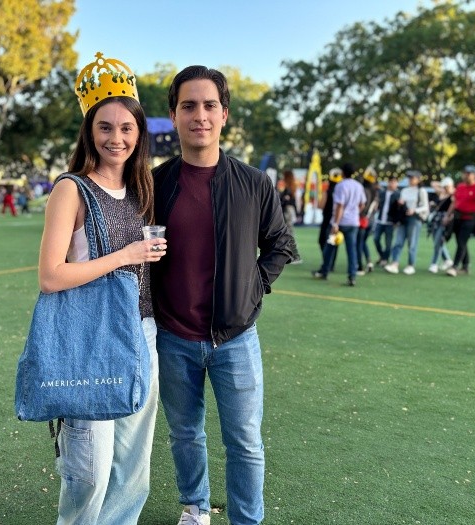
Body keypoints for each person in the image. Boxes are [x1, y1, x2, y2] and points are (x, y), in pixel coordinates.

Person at [152, 65, 292, 525]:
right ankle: (195, 508)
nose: (200, 115)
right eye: (188, 106)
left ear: (224, 114)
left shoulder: (253, 182)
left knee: (245, 442)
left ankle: (246, 520)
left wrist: (253, 287)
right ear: (175, 115)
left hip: (236, 337)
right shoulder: (155, 183)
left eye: (210, 105)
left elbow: (280, 245)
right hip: (172, 336)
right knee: (184, 434)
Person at [39, 52, 166, 525]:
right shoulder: (71, 189)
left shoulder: (141, 189)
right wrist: (126, 255)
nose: (117, 138)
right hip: (90, 338)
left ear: (139, 133)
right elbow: (51, 275)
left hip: (142, 333)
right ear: (89, 131)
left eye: (127, 128)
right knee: (89, 469)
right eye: (105, 127)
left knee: (133, 466)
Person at [313, 162, 366, 286]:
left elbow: (340, 206)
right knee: (351, 250)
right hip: (353, 222)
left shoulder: (340, 186)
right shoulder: (358, 186)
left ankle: (324, 271)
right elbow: (362, 204)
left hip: (341, 222)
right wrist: (355, 213)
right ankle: (352, 276)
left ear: (343, 172)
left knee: (330, 246)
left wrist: (336, 223)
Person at [443, 164, 475, 276]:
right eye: (465, 173)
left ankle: (454, 267)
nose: (466, 175)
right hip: (458, 217)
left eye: (468, 173)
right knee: (460, 242)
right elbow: (454, 202)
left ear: (474, 175)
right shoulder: (460, 186)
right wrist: (447, 215)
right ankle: (465, 266)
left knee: (462, 241)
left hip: (470, 219)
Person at [384, 170, 430, 275]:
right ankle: (395, 263)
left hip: (414, 218)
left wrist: (415, 210)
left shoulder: (421, 191)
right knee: (398, 241)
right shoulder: (404, 190)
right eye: (409, 178)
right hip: (403, 218)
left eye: (412, 178)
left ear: (418, 180)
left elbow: (426, 207)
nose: (410, 180)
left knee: (412, 243)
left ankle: (411, 264)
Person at [372, 175, 401, 267]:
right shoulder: (382, 193)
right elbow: (377, 202)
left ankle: (385, 259)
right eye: (391, 182)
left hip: (390, 222)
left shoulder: (398, 194)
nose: (392, 184)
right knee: (376, 239)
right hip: (380, 220)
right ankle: (382, 256)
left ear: (397, 184)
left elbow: (399, 209)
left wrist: (397, 221)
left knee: (388, 243)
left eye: (394, 182)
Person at [428, 177, 455, 273]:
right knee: (437, 241)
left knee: (438, 242)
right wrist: (442, 184)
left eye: (447, 186)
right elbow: (433, 183)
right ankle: (447, 260)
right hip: (436, 220)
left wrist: (450, 188)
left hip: (445, 220)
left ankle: (434, 263)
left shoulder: (453, 195)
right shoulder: (442, 193)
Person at [357, 167, 377, 274]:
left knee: (359, 243)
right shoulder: (375, 191)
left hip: (363, 219)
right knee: (363, 242)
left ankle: (359, 266)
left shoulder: (364, 190)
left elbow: (362, 206)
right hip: (371, 220)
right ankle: (369, 262)